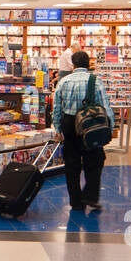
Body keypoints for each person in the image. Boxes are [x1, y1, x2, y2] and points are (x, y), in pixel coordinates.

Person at [51, 50, 114, 213]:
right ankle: (91, 196)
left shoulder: (64, 81)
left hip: (70, 123)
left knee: (71, 164)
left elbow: (57, 108)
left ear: (73, 64)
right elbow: (106, 107)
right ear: (88, 64)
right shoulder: (95, 81)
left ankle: (76, 202)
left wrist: (57, 128)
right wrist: (110, 127)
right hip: (90, 123)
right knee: (95, 159)